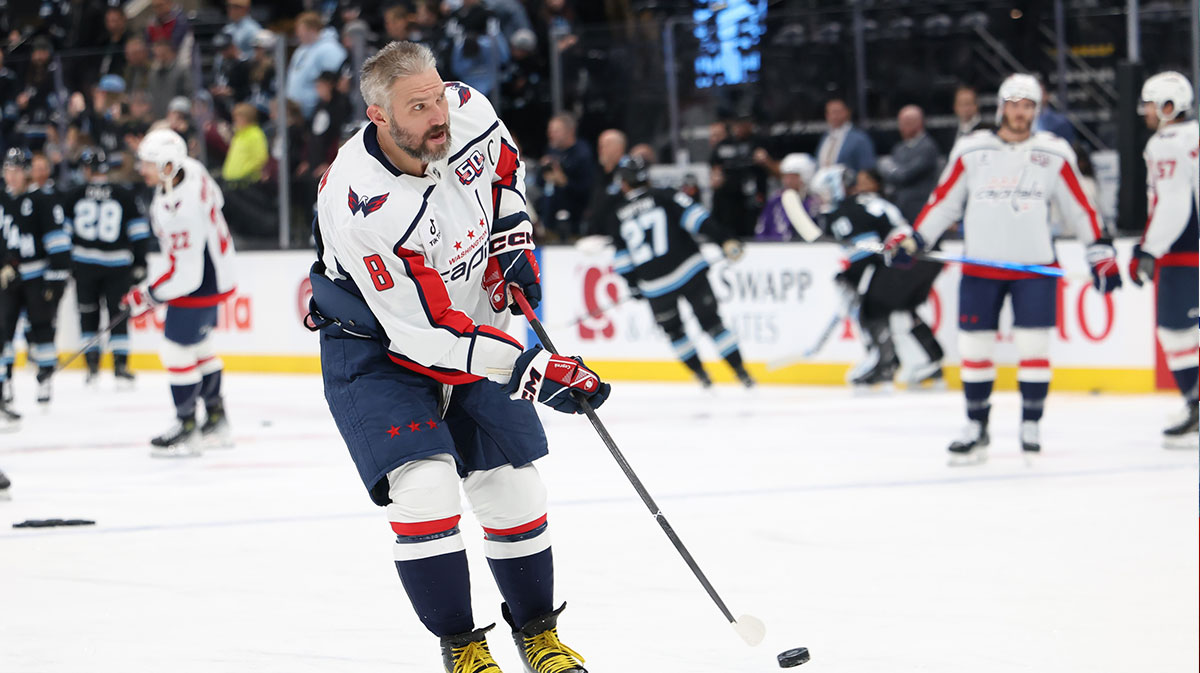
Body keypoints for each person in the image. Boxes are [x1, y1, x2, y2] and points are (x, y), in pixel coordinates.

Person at [308, 41, 608, 672]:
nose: (438, 112)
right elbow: (421, 331)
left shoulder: (467, 110)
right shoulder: (362, 203)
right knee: (427, 491)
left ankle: (539, 636)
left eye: (438, 93)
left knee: (515, 489)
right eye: (419, 107)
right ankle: (465, 650)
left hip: (475, 326)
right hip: (379, 351)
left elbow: (505, 171)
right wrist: (530, 370)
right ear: (379, 116)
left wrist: (512, 237)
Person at [884, 73, 1121, 464]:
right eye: (1014, 105)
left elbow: (1081, 208)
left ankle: (1031, 424)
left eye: (1028, 106)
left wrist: (1099, 251)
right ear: (1001, 107)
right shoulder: (972, 150)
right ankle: (976, 427)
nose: (1020, 113)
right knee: (975, 349)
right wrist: (915, 240)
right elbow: (943, 202)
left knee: (1033, 347)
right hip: (981, 266)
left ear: (1036, 110)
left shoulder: (1055, 152)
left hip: (1034, 267)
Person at [123, 128, 236, 457]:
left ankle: (187, 426)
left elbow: (186, 275)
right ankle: (216, 420)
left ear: (169, 166)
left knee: (175, 352)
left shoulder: (179, 209)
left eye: (149, 163)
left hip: (199, 284)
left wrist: (147, 295)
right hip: (217, 275)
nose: (142, 169)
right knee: (200, 347)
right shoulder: (193, 170)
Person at [602, 154, 753, 388]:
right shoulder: (665, 195)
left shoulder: (616, 215)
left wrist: (633, 285)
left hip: (655, 286)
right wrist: (724, 240)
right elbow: (698, 220)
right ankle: (741, 373)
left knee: (675, 333)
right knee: (713, 323)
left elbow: (623, 260)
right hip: (689, 271)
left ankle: (702, 378)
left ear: (623, 183)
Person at [809, 166, 944, 387]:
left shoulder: (845, 211)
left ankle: (884, 364)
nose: (821, 199)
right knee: (898, 309)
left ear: (837, 188)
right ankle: (929, 361)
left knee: (872, 308)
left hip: (907, 257)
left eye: (823, 192)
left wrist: (848, 278)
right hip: (920, 257)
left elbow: (866, 254)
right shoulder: (859, 204)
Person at [1131, 71, 1199, 448]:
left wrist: (1148, 249)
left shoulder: (1167, 142)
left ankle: (1194, 405)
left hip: (1186, 250)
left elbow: (1173, 205)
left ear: (1169, 106)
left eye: (1152, 104)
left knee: (1175, 332)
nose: (1146, 112)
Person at [65, 148, 149, 386]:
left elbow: (64, 235)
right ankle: (120, 367)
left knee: (88, 314)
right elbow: (139, 232)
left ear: (88, 169)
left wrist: (66, 264)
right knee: (118, 315)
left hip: (84, 266)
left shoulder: (75, 194)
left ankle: (92, 366)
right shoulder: (123, 194)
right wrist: (140, 262)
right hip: (118, 266)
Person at [0, 148, 70, 407]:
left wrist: (55, 278)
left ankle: (45, 378)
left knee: (42, 328)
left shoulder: (42, 200)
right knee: (3, 331)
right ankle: (4, 382)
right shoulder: (2, 199)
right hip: (7, 279)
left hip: (37, 275)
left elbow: (57, 241)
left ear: (26, 173)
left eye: (17, 171)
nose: (12, 176)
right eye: (8, 170)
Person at [877, 105, 942, 223]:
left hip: (919, 209)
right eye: (900, 122)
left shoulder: (927, 147)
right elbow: (893, 177)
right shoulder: (899, 148)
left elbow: (904, 175)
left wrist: (887, 167)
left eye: (906, 122)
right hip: (899, 208)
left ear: (919, 123)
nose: (901, 127)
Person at [538, 113, 594, 240]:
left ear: (570, 131)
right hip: (549, 221)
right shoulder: (552, 150)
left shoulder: (582, 154)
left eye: (556, 131)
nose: (550, 134)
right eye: (550, 130)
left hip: (574, 224)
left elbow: (586, 190)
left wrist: (564, 182)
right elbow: (541, 184)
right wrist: (542, 171)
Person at [286, 12, 348, 119]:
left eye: (301, 29)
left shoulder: (330, 49)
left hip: (316, 111)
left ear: (312, 29)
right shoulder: (301, 49)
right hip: (295, 110)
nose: (298, 33)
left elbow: (333, 81)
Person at [756, 152, 817, 242]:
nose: (787, 181)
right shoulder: (775, 202)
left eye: (792, 177)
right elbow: (761, 231)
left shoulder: (813, 204)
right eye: (785, 176)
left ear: (805, 176)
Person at [816, 97, 876, 172]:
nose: (834, 116)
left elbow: (867, 168)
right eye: (830, 112)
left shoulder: (860, 139)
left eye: (837, 112)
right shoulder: (825, 138)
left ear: (847, 112)